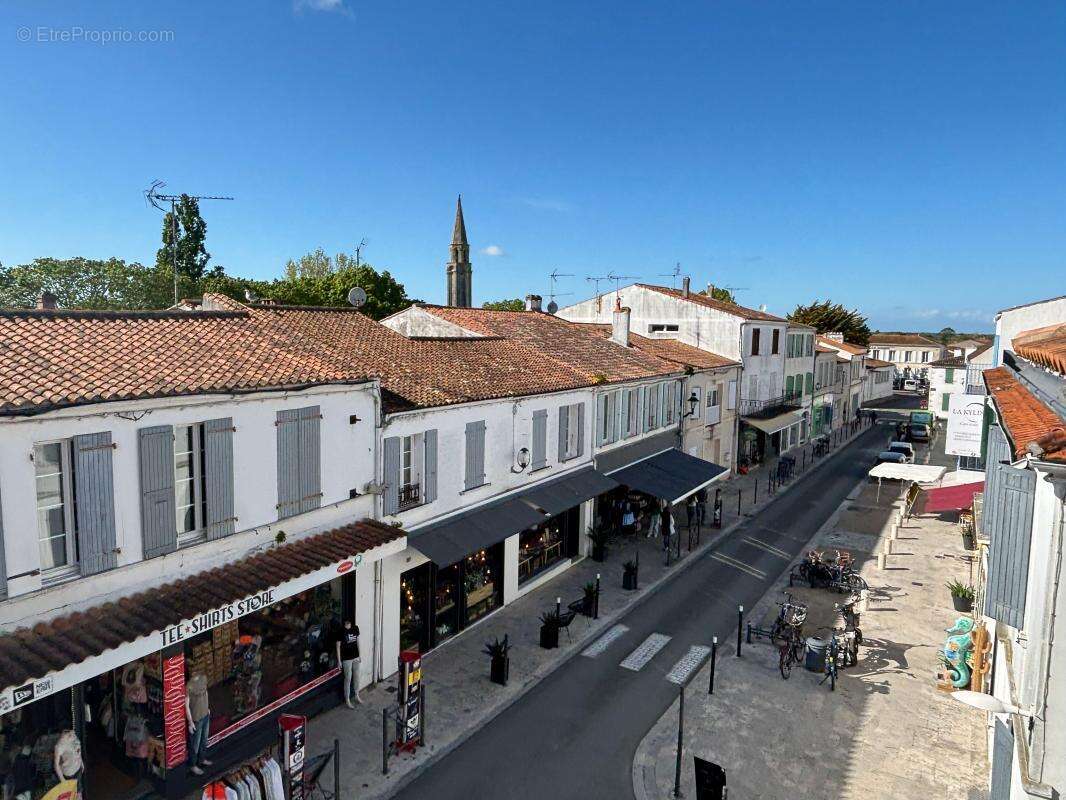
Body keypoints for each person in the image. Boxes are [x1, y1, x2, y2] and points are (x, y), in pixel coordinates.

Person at [185, 671, 212, 775]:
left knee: (204, 740)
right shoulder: (188, 686)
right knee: (195, 744)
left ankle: (202, 759)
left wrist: (207, 707)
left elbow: (206, 692)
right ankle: (193, 765)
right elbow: (186, 705)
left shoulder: (203, 678)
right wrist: (190, 722)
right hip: (196, 719)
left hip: (205, 715)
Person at [335, 619, 363, 707]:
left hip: (355, 657)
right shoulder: (340, 631)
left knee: (357, 676)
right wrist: (339, 661)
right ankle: (347, 699)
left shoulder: (355, 628)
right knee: (348, 678)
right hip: (346, 658)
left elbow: (358, 641)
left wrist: (360, 655)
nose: (348, 622)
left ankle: (356, 694)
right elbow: (338, 646)